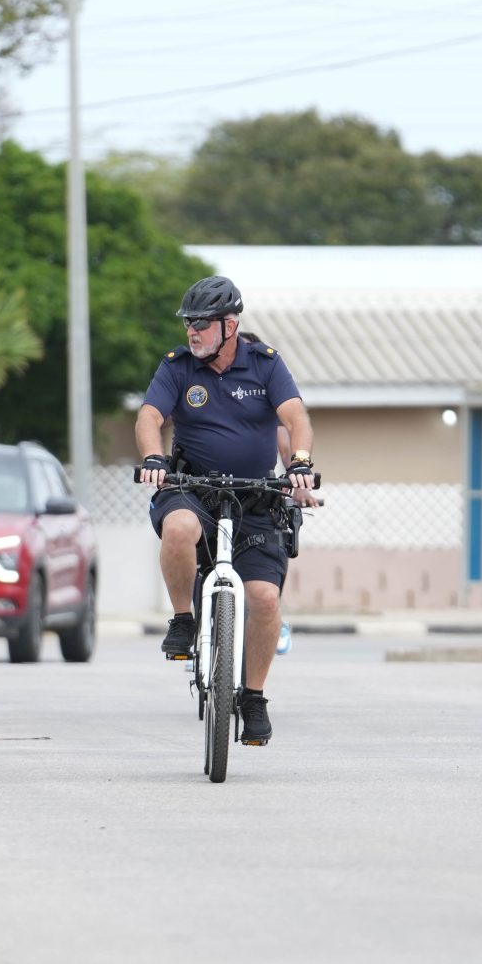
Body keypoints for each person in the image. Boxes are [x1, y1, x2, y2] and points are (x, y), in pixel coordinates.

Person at [136, 275, 318, 747]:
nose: (191, 332)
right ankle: (183, 620)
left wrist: (299, 464)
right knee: (178, 528)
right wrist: (154, 458)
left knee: (264, 600)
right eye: (188, 324)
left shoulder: (266, 365)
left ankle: (253, 697)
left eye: (200, 324)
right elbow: (149, 416)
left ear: (230, 325)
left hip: (255, 498)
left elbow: (295, 417)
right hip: (191, 488)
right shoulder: (176, 368)